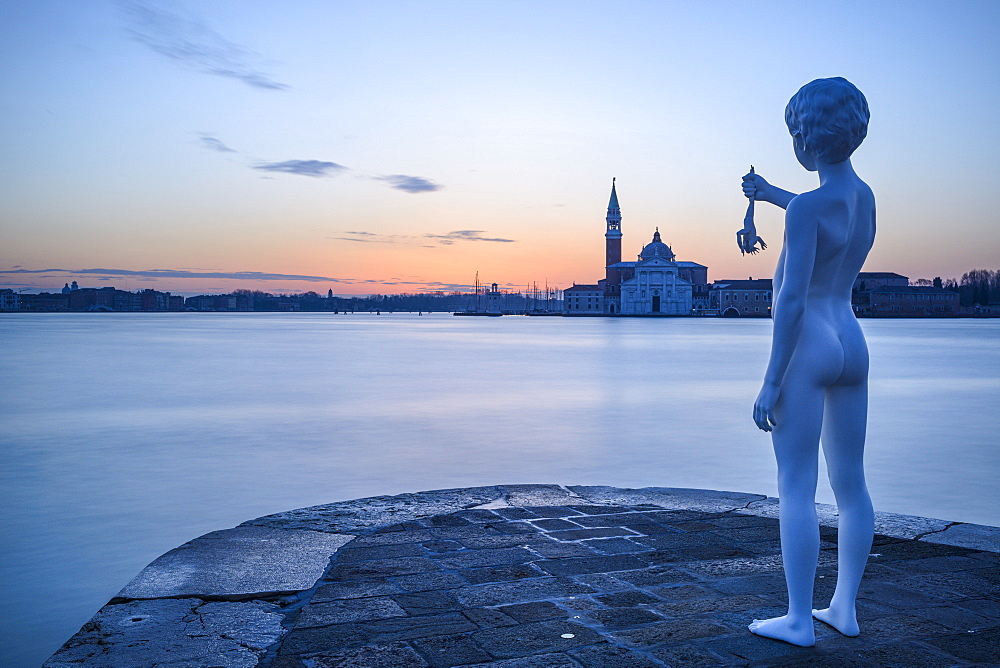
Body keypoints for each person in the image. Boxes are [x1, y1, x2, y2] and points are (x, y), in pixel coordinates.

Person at [743, 77, 875, 647]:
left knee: (796, 485)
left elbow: (791, 301)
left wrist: (771, 383)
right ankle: (843, 607)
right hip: (851, 340)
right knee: (851, 485)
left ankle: (798, 619)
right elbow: (816, 211)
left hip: (808, 347)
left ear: (804, 139)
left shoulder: (806, 211)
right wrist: (772, 194)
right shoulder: (864, 197)